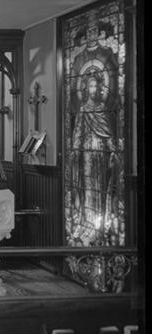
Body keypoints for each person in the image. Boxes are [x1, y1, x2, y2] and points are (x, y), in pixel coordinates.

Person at [69, 72, 119, 246]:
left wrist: (113, 150)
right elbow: (78, 131)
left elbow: (108, 133)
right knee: (89, 188)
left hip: (101, 153)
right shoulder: (83, 109)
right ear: (86, 89)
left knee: (101, 187)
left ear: (100, 88)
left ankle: (101, 223)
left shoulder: (103, 108)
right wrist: (75, 150)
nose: (94, 89)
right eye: (90, 86)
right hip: (88, 154)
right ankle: (89, 223)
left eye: (96, 86)